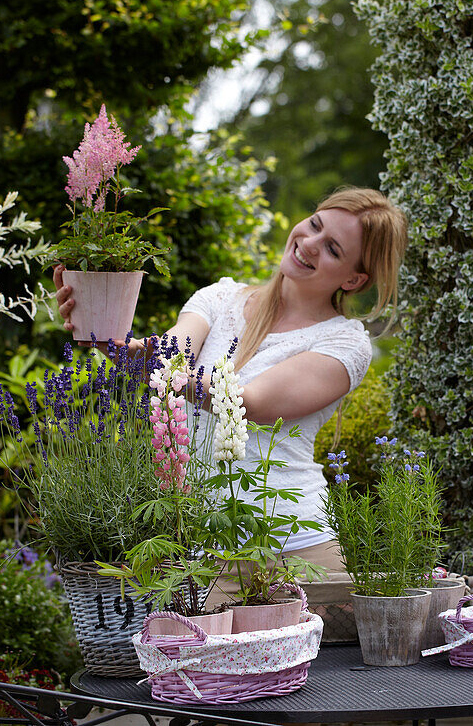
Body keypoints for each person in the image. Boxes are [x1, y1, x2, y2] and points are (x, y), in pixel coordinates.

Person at [54, 187, 408, 582]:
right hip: (202, 546)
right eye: (313, 224)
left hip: (296, 549)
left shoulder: (345, 343)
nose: (308, 243)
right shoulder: (219, 297)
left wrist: (160, 368)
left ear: (355, 279)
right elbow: (174, 351)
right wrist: (105, 332)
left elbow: (250, 401)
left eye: (332, 249)